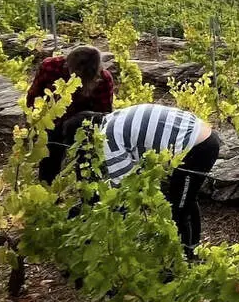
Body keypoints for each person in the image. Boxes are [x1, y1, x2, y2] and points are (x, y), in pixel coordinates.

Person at [63, 104, 221, 261]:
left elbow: (124, 189)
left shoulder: (107, 139)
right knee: (186, 199)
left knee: (179, 208)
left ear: (86, 137)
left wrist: (107, 217)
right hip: (204, 136)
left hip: (197, 147)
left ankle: (183, 260)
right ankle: (191, 251)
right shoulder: (114, 119)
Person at [26, 45, 114, 183]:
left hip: (82, 125)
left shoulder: (103, 79)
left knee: (87, 159)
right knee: (50, 156)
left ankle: (86, 185)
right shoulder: (50, 67)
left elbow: (103, 114)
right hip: (52, 121)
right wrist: (35, 124)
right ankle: (47, 187)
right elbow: (34, 96)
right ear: (68, 63)